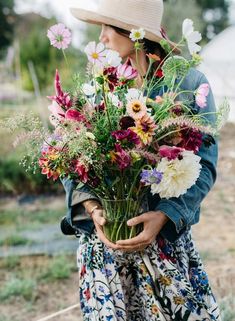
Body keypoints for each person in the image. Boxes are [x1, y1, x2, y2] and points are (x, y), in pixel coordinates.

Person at [61, 0, 221, 319]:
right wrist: (93, 208)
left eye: (108, 27)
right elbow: (72, 156)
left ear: (134, 34)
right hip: (104, 243)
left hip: (162, 241)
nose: (102, 38)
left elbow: (205, 162)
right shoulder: (97, 86)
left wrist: (164, 215)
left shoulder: (187, 83)